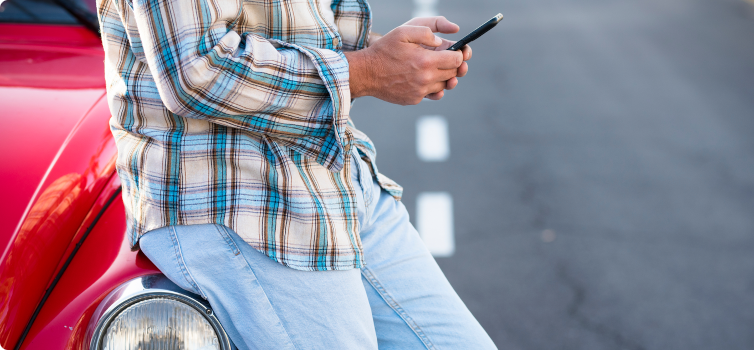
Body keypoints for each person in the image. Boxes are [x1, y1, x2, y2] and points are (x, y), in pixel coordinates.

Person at [98, 0, 496, 347]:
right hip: (242, 203)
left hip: (338, 179)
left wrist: (394, 57)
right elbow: (198, 71)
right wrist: (368, 71)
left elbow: (304, 26)